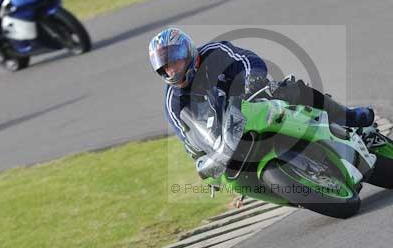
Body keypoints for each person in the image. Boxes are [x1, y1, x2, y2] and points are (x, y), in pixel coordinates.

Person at [148, 28, 375, 172]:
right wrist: (204, 159)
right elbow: (188, 138)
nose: (172, 70)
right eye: (165, 67)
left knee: (292, 89)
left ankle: (350, 116)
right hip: (228, 134)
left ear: (187, 52)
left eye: (174, 61)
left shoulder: (214, 53)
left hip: (251, 98)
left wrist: (253, 80)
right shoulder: (173, 103)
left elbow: (248, 60)